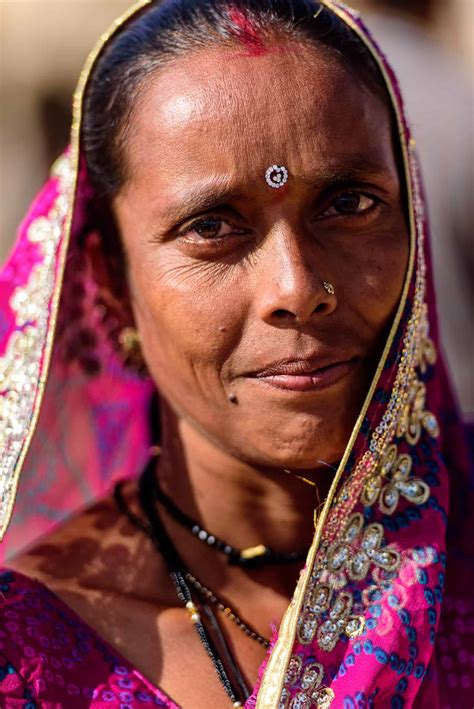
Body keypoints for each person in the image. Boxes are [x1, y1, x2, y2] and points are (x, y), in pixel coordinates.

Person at [0, 1, 471, 707]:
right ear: (108, 278)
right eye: (213, 225)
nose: (298, 288)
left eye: (349, 203)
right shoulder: (28, 655)